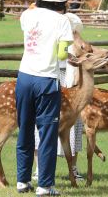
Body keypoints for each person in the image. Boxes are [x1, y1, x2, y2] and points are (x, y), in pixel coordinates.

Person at [15, 0, 73, 196]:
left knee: (25, 129)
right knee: (47, 133)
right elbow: (61, 54)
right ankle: (45, 185)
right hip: (47, 80)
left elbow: (32, 10)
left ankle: (22, 181)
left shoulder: (27, 16)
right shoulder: (63, 22)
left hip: (24, 77)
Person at [32, 13, 85, 183]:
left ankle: (73, 168)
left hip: (70, 81)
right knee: (42, 122)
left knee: (74, 124)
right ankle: (39, 169)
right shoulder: (51, 36)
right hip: (51, 77)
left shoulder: (77, 43)